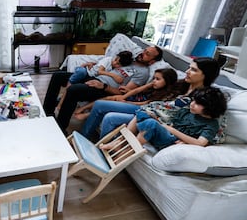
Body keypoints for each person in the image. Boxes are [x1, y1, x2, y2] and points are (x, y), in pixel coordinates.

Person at [81, 57, 220, 139]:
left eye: (194, 70)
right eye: (189, 68)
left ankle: (104, 153)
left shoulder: (204, 96)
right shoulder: (181, 84)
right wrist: (127, 97)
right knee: (100, 104)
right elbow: (154, 94)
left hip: (157, 118)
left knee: (110, 117)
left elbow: (206, 120)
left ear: (206, 74)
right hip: (147, 107)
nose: (187, 72)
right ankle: (84, 138)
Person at [47, 46, 163, 134]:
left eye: (147, 54)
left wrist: (103, 86)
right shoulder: (129, 59)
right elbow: (109, 63)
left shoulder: (142, 73)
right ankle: (47, 111)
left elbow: (122, 93)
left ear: (152, 61)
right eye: (144, 51)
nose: (142, 54)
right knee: (58, 76)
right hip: (95, 77)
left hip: (103, 88)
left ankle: (61, 128)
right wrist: (94, 64)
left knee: (74, 90)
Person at [100, 87, 227, 151]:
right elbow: (170, 124)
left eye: (198, 103)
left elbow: (200, 143)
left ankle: (125, 148)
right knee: (142, 113)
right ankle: (121, 141)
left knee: (150, 123)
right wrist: (160, 121)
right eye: (193, 100)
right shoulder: (187, 111)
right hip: (167, 132)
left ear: (210, 107)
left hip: (173, 142)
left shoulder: (212, 124)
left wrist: (177, 134)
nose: (192, 104)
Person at [73, 67, 178, 121]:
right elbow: (136, 91)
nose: (154, 81)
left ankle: (87, 115)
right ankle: (83, 109)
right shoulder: (152, 86)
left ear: (167, 81)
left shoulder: (165, 95)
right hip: (134, 98)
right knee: (110, 98)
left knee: (111, 104)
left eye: (158, 79)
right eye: (154, 78)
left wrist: (127, 101)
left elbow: (146, 103)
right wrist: (124, 96)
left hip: (138, 104)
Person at [55, 50, 133, 111]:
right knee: (72, 82)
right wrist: (114, 75)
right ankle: (60, 103)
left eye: (118, 64)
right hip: (85, 72)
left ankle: (61, 102)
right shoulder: (108, 60)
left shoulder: (115, 68)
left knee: (74, 88)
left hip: (91, 76)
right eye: (116, 59)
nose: (115, 62)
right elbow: (100, 71)